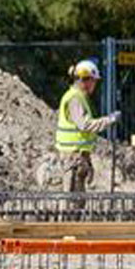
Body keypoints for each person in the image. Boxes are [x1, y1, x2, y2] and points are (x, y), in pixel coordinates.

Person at [55, 59, 118, 194]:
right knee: (71, 200)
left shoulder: (80, 97)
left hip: (77, 154)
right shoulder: (75, 98)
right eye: (94, 80)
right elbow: (85, 125)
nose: (95, 84)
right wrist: (109, 120)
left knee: (78, 199)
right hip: (73, 155)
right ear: (86, 80)